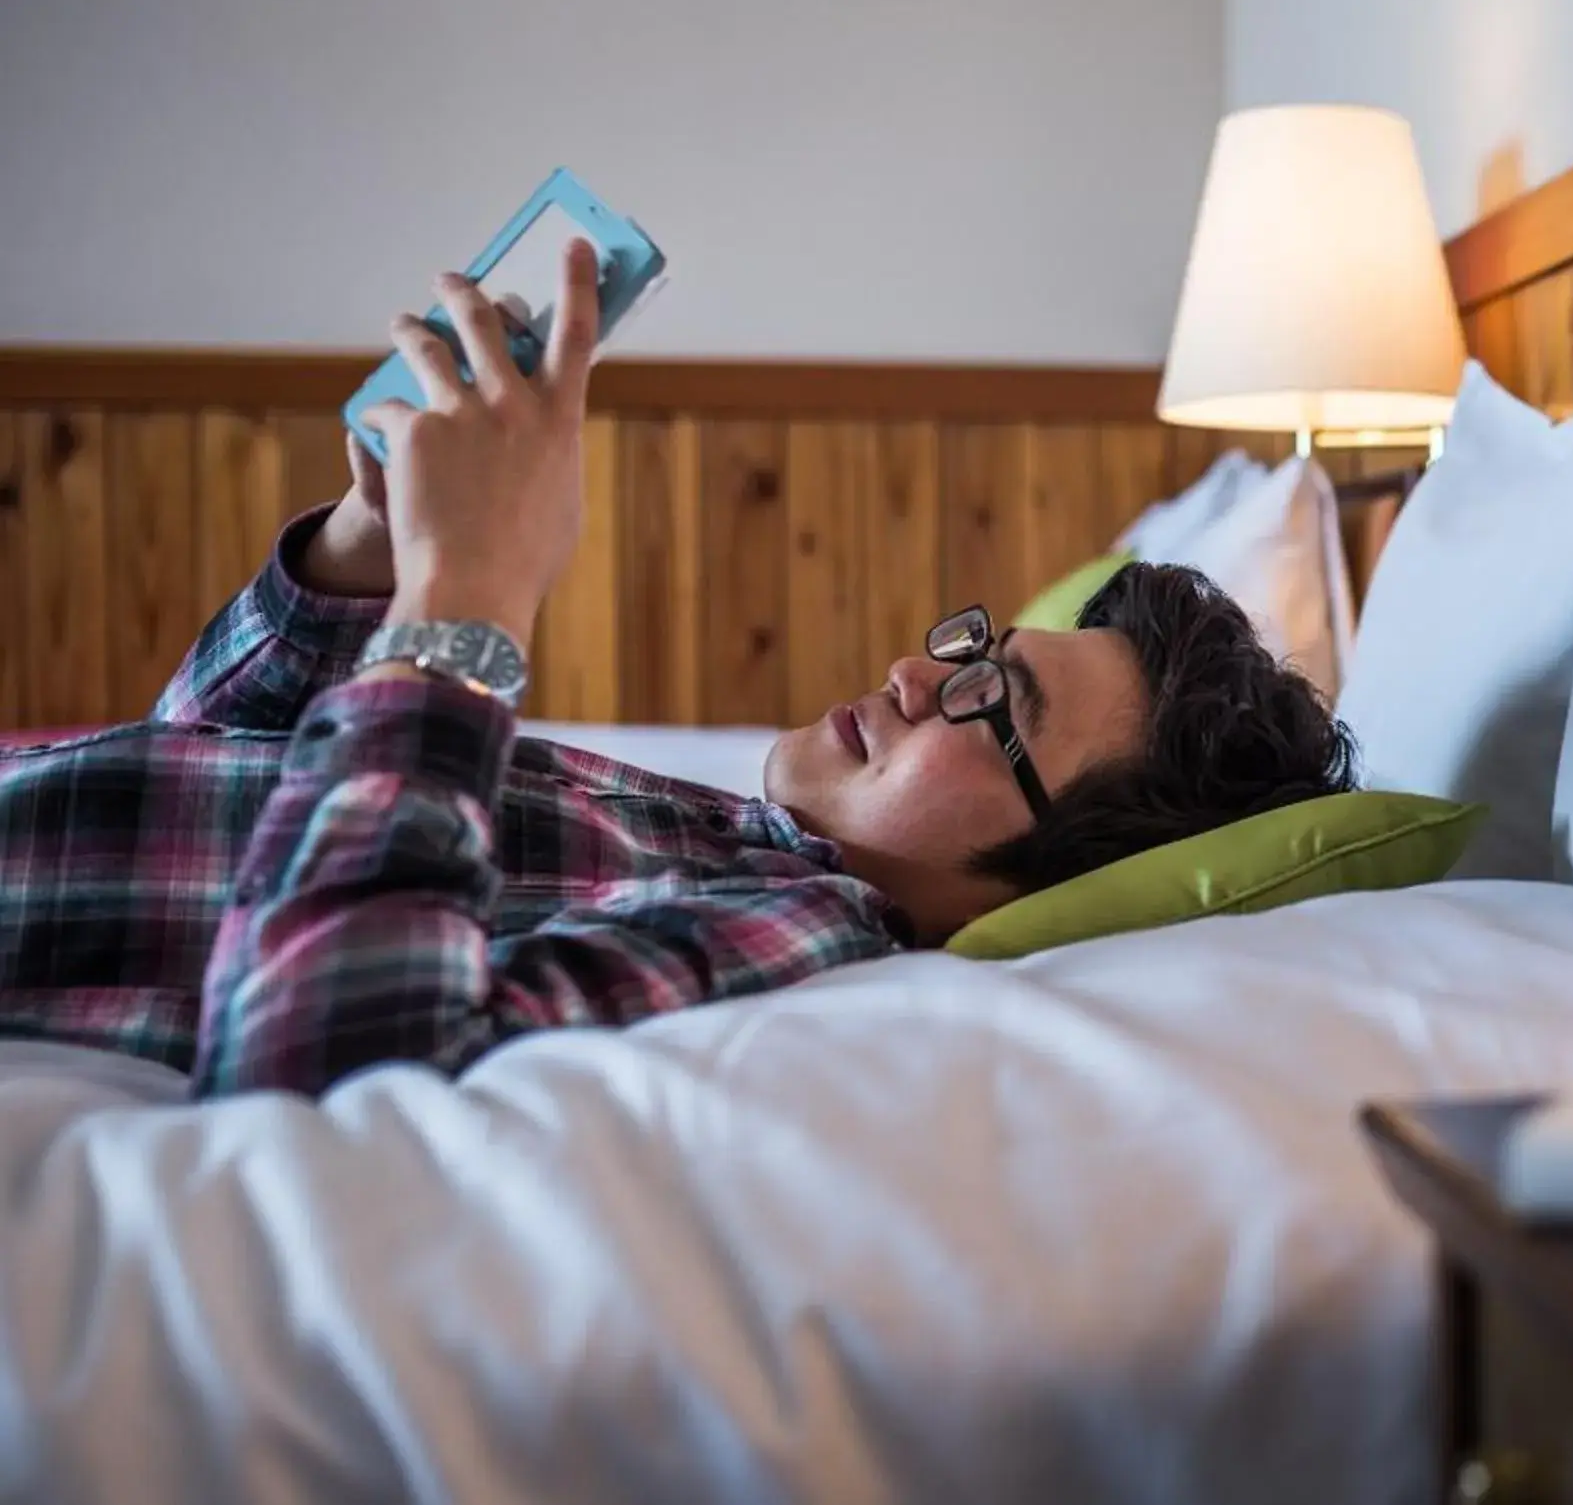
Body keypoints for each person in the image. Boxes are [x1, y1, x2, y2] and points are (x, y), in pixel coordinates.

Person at [0, 243, 1354, 1097]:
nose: (911, 671)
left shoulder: (804, 932)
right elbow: (183, 769)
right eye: (975, 650)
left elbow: (317, 1074)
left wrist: (463, 606)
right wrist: (367, 549)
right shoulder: (723, 825)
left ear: (1061, 869)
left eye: (994, 704)